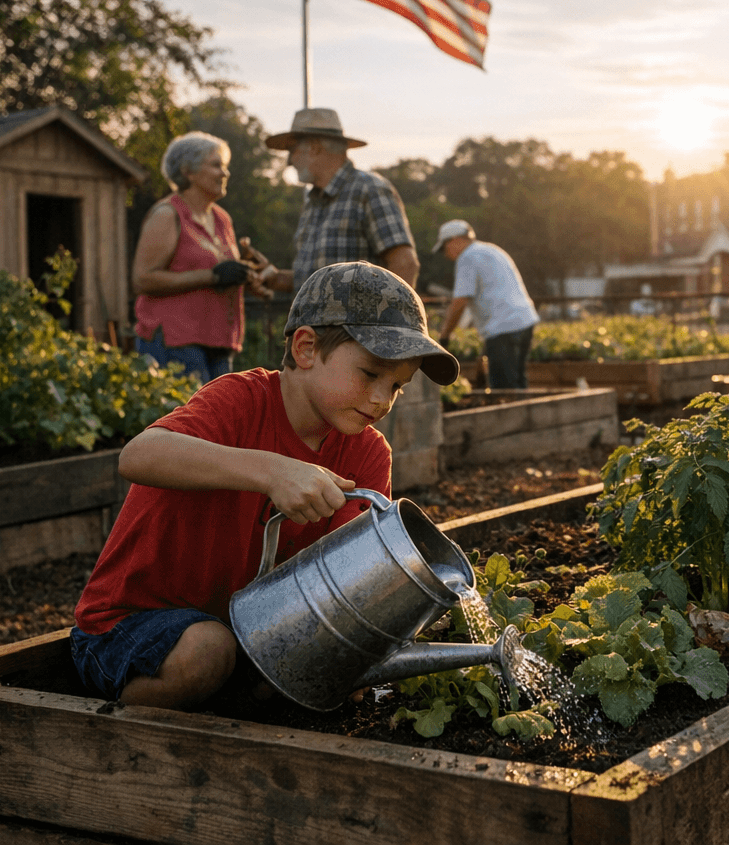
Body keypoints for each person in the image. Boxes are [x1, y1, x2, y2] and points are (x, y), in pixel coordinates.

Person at [70, 261, 459, 710]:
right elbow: (139, 455)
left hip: (243, 633)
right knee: (207, 652)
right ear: (306, 347)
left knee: (324, 670)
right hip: (128, 626)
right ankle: (106, 723)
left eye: (397, 386)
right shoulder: (241, 401)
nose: (380, 399)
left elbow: (349, 584)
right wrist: (273, 471)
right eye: (370, 374)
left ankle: (229, 709)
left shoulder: (368, 454)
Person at [132, 131, 265, 383]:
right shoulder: (167, 214)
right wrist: (212, 276)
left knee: (220, 421)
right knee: (189, 420)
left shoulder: (222, 219)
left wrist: (247, 278)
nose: (225, 173)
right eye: (216, 165)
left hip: (220, 342)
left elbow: (220, 275)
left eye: (225, 166)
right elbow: (142, 279)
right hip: (176, 341)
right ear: (187, 171)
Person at [249, 107, 420, 294]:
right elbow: (316, 281)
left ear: (314, 148)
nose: (289, 161)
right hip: (314, 324)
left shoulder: (369, 190)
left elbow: (404, 264)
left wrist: (391, 320)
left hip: (357, 324)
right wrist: (275, 278)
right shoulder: (313, 203)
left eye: (292, 150)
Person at [432, 219, 540, 390]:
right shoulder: (491, 250)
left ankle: (510, 416)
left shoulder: (467, 257)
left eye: (445, 248)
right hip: (524, 321)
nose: (446, 254)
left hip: (504, 327)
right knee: (518, 381)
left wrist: (444, 337)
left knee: (504, 389)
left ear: (454, 240)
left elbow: (460, 301)